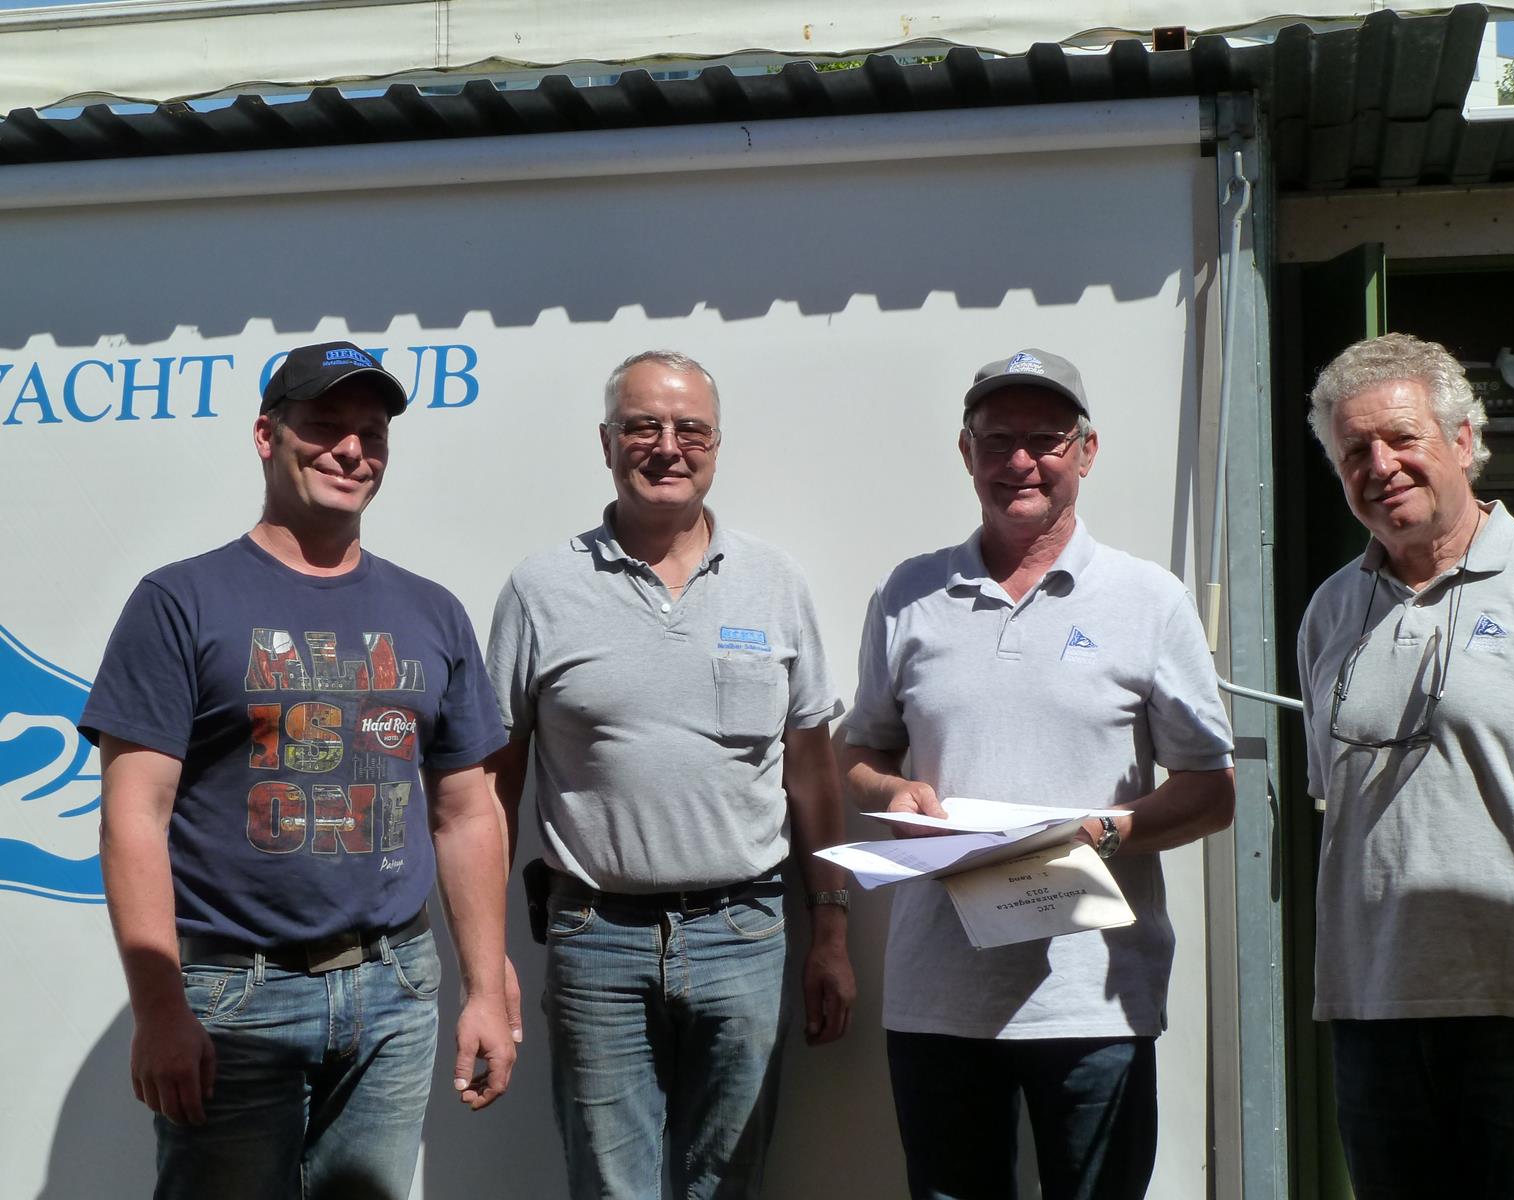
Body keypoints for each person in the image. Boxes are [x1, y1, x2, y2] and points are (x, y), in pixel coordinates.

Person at [80, 341, 516, 1200]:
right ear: (266, 436)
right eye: (324, 426)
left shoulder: (431, 611)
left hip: (396, 988)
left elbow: (467, 813)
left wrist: (484, 987)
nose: (351, 450)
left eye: (372, 433)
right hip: (237, 996)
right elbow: (134, 817)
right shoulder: (180, 601)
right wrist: (160, 1009)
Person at [839, 348, 1235, 1200]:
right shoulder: (908, 594)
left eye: (1047, 439)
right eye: (997, 439)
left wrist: (1100, 834)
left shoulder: (1149, 600)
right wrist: (890, 792)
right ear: (966, 452)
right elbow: (859, 751)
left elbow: (1211, 790)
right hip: (939, 996)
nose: (1020, 460)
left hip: (1095, 998)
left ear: (1086, 452)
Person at [484, 349, 855, 1199]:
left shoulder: (775, 582)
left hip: (746, 933)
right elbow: (493, 786)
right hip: (595, 939)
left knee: (729, 1184)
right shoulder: (541, 589)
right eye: (642, 426)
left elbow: (812, 774)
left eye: (690, 429)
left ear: (717, 445)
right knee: (611, 1188)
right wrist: (486, 952)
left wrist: (831, 931)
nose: (666, 446)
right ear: (606, 442)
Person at [1298, 332, 1514, 1199]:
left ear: (1465, 441)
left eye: (1403, 438)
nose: (1380, 466)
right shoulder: (1332, 610)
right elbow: (1338, 799)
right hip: (1375, 1010)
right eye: (1355, 451)